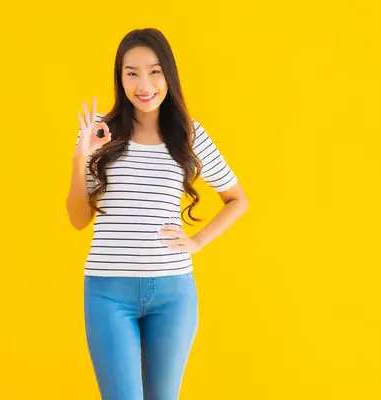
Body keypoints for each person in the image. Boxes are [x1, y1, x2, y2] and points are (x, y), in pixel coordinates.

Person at [66, 28, 249, 400]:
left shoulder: (189, 135)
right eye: (131, 72)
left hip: (173, 294)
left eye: (154, 71)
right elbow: (78, 218)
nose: (143, 84)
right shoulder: (99, 131)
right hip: (107, 292)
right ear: (120, 77)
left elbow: (237, 199)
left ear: (168, 74)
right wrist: (81, 155)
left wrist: (197, 241)